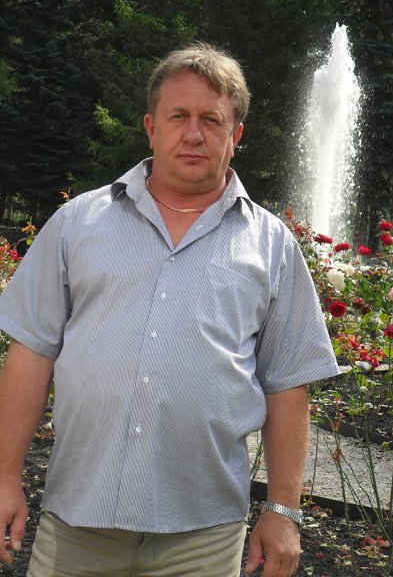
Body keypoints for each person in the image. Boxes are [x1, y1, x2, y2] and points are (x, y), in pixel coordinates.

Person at [0, 43, 339, 577]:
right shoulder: (77, 224)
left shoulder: (272, 247)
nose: (194, 133)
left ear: (236, 135)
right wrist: (3, 476)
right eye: (178, 116)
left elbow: (288, 384)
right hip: (77, 522)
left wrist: (283, 510)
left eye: (212, 119)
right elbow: (30, 355)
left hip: (203, 537)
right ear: (151, 128)